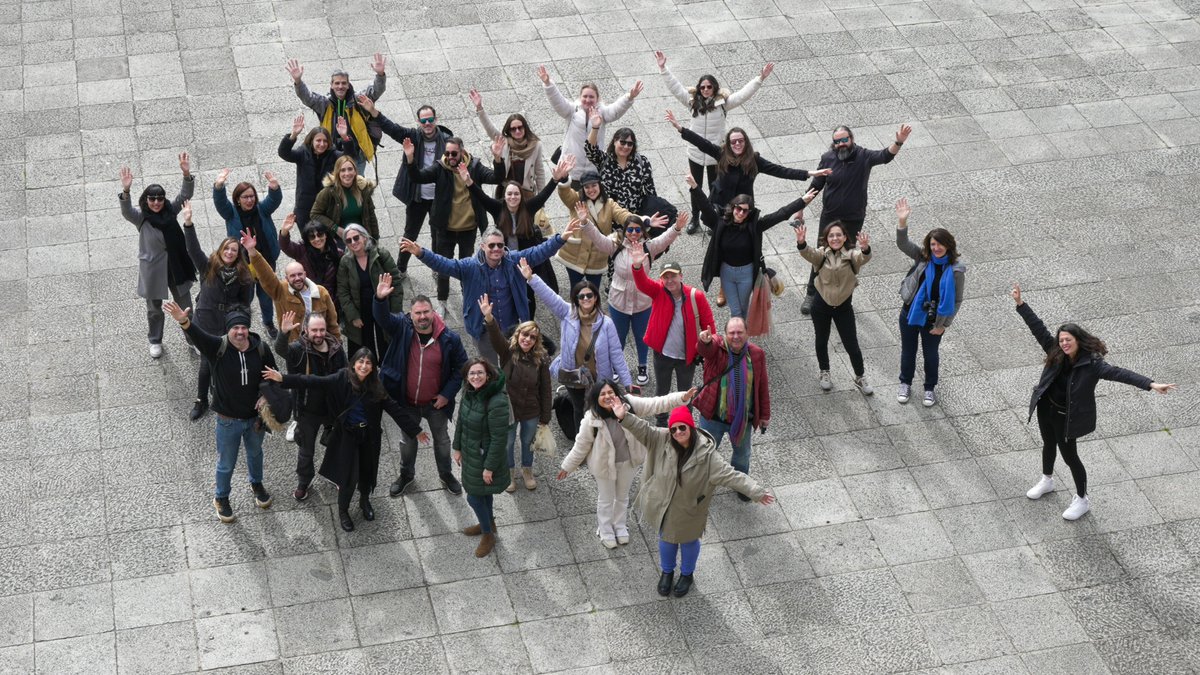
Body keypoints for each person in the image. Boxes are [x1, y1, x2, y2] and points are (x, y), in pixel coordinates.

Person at [1012, 285, 1176, 521]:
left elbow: (1121, 374)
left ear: (1078, 340)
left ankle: (1081, 499)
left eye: (1068, 340)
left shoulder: (1093, 364)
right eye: (1061, 340)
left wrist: (1151, 384)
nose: (1064, 344)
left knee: (1070, 457)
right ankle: (1046, 480)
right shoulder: (1055, 351)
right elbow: (1037, 328)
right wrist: (1021, 304)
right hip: (1046, 407)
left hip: (1067, 416)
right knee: (1048, 443)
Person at [615, 403, 774, 597]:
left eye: (682, 427)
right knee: (666, 540)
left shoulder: (708, 456)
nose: (678, 432)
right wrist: (624, 417)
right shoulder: (661, 438)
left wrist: (756, 492)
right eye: (674, 428)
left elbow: (732, 476)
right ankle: (667, 571)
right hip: (663, 505)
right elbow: (643, 429)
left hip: (689, 509)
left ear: (691, 427)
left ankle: (687, 574)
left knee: (689, 541)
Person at [265, 349, 429, 532]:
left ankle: (364, 501)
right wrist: (283, 378)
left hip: (369, 437)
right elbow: (313, 381)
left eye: (368, 363)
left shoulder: (376, 385)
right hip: (347, 437)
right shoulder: (341, 378)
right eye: (361, 362)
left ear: (373, 367)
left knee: (368, 472)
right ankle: (343, 511)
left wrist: (416, 431)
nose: (364, 366)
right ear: (353, 363)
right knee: (347, 477)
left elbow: (395, 409)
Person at [398, 220, 580, 365]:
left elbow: (538, 252)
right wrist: (421, 253)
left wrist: (560, 239)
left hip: (511, 328)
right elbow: (444, 264)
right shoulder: (469, 267)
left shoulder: (513, 260)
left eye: (500, 245)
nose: (496, 249)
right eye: (491, 245)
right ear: (483, 246)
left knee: (512, 363)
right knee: (490, 367)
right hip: (483, 329)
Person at [163, 301, 277, 524]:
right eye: (236, 328)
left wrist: (267, 395)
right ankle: (221, 498)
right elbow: (198, 336)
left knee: (255, 454)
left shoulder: (261, 348)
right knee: (226, 462)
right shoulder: (218, 348)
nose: (241, 332)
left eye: (244, 327)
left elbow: (274, 376)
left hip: (255, 419)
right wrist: (184, 321)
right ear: (228, 329)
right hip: (228, 421)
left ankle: (257, 484)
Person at [557, 380, 696, 549]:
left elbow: (656, 403)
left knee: (622, 497)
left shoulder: (629, 405)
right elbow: (581, 446)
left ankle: (620, 525)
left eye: (610, 392)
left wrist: (682, 397)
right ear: (596, 398)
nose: (607, 396)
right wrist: (567, 467)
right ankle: (605, 529)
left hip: (628, 462)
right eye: (603, 394)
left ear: (617, 394)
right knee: (606, 499)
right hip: (603, 467)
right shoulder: (591, 419)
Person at [656, 51, 775, 233]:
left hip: (715, 155)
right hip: (695, 154)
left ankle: (715, 218)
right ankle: (695, 219)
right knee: (695, 188)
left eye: (709, 87)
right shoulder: (692, 103)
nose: (705, 90)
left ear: (714, 88)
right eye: (702, 87)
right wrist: (663, 68)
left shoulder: (723, 104)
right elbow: (675, 87)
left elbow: (743, 95)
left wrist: (760, 78)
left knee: (716, 189)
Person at [802, 123, 912, 314]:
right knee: (822, 254)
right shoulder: (828, 158)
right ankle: (812, 293)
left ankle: (844, 297)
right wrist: (800, 208)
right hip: (830, 215)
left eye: (845, 139)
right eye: (837, 141)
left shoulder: (863, 156)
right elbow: (816, 184)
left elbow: (885, 156)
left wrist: (898, 142)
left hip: (853, 218)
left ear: (851, 139)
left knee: (848, 257)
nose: (841, 144)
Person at [373, 282, 470, 498]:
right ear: (411, 315)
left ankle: (446, 475)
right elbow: (383, 319)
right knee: (407, 442)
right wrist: (380, 300)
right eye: (418, 313)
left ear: (433, 312)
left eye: (426, 311)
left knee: (443, 441)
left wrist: (447, 394)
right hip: (406, 402)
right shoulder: (402, 327)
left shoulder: (449, 338)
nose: (422, 316)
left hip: (436, 404)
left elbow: (462, 369)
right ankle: (406, 475)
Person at [666, 112, 826, 235]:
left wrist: (809, 173)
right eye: (733, 141)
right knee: (719, 233)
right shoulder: (721, 154)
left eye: (740, 140)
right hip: (720, 204)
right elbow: (701, 143)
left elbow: (780, 171)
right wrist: (680, 128)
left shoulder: (754, 160)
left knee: (741, 233)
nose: (737, 144)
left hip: (742, 207)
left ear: (746, 142)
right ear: (728, 144)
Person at [525, 259, 630, 435]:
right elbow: (550, 297)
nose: (586, 299)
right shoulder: (567, 313)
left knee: (599, 411)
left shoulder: (607, 324)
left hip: (598, 379)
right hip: (573, 377)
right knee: (579, 410)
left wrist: (628, 383)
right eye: (581, 296)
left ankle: (599, 442)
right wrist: (531, 278)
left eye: (589, 295)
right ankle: (580, 443)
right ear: (576, 299)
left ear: (595, 297)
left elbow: (617, 355)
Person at [583, 210, 686, 386]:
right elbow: (597, 237)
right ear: (625, 231)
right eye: (630, 230)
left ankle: (642, 366)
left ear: (643, 231)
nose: (633, 233)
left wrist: (676, 228)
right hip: (619, 301)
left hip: (642, 302)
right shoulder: (615, 246)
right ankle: (616, 365)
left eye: (638, 230)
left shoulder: (649, 247)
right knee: (618, 337)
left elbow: (665, 239)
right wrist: (585, 222)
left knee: (642, 336)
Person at [402, 135, 499, 317]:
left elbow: (497, 177)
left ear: (462, 151)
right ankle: (442, 301)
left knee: (466, 268)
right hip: (445, 230)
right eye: (447, 153)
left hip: (468, 230)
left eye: (454, 153)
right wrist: (410, 158)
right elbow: (417, 177)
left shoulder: (475, 167)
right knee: (443, 268)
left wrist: (498, 158)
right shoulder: (440, 167)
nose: (450, 157)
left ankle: (467, 298)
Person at [464, 155, 575, 314]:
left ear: (521, 196)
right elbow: (481, 197)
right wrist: (469, 182)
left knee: (527, 294)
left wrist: (555, 179)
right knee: (507, 293)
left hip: (525, 259)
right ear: (505, 196)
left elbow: (544, 194)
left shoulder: (528, 208)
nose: (512, 197)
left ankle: (528, 322)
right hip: (504, 259)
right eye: (509, 194)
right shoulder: (498, 208)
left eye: (516, 194)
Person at [356, 97, 451, 282]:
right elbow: (392, 128)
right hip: (417, 196)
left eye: (430, 119)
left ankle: (437, 267)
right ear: (418, 122)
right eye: (423, 120)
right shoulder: (413, 137)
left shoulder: (447, 140)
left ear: (436, 120)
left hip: (438, 197)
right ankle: (401, 268)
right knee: (410, 234)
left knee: (438, 235)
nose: (427, 124)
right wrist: (373, 111)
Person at [693, 178, 816, 319]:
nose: (740, 213)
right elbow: (704, 205)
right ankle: (736, 336)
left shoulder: (756, 226)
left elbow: (780, 214)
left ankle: (738, 335)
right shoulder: (720, 223)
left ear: (749, 213)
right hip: (726, 273)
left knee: (743, 309)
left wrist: (802, 201)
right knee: (736, 311)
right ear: (733, 207)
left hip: (746, 274)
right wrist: (694, 186)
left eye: (745, 211)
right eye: (738, 209)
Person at [118, 155, 196, 359]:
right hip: (153, 269)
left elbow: (185, 195)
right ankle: (155, 340)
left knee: (186, 307)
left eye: (159, 198)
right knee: (154, 309)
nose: (156, 202)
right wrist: (126, 190)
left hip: (177, 267)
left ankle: (194, 339)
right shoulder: (141, 217)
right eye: (152, 199)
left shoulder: (171, 211)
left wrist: (186, 173)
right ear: (146, 199)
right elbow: (126, 212)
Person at [183, 201, 254, 421]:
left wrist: (236, 317)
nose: (230, 252)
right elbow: (193, 249)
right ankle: (201, 399)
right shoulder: (208, 267)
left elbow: (246, 301)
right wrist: (188, 223)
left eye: (234, 250)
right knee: (206, 361)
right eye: (227, 249)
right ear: (221, 251)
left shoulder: (243, 276)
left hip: (227, 324)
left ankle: (222, 395)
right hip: (205, 320)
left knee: (223, 362)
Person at [630, 246, 715, 425]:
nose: (669, 281)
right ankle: (661, 423)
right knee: (662, 392)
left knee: (685, 393)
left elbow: (709, 326)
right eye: (665, 277)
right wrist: (637, 267)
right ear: (661, 279)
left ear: (681, 276)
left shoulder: (696, 296)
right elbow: (643, 283)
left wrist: (709, 341)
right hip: (663, 355)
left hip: (687, 357)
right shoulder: (658, 291)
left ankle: (684, 424)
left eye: (673, 276)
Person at [894, 197, 966, 407]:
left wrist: (944, 325)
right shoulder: (923, 257)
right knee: (908, 350)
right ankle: (905, 383)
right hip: (910, 312)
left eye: (940, 244)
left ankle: (929, 388)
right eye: (933, 244)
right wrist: (902, 222)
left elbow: (958, 299)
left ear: (948, 245)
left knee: (931, 355)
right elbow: (902, 243)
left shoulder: (956, 270)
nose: (936, 248)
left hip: (934, 320)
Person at [272, 311, 347, 501]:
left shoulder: (336, 348)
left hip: (332, 408)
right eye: (314, 330)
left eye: (322, 329)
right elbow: (282, 350)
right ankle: (304, 481)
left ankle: (335, 474)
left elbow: (345, 375)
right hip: (307, 411)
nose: (319, 334)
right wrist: (283, 333)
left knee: (337, 446)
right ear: (306, 330)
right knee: (306, 451)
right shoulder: (298, 349)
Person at [479, 295, 551, 493]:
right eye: (524, 335)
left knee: (527, 442)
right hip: (509, 409)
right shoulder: (508, 352)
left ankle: (527, 470)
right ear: (517, 336)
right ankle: (509, 473)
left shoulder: (542, 359)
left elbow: (546, 388)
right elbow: (495, 337)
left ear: (537, 341)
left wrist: (545, 416)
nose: (527, 339)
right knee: (508, 442)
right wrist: (489, 318)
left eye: (532, 337)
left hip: (530, 409)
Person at [795, 218, 874, 395]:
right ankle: (825, 372)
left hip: (844, 307)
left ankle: (860, 376)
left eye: (839, 235)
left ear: (845, 237)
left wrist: (865, 247)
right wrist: (801, 242)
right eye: (831, 235)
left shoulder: (852, 255)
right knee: (821, 339)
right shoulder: (821, 254)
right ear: (827, 238)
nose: (835, 238)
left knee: (851, 344)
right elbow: (808, 253)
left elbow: (864, 257)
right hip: (821, 305)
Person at [695, 319, 770, 497]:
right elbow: (706, 349)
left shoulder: (757, 354)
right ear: (725, 335)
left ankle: (742, 486)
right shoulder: (718, 349)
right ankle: (699, 486)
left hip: (742, 418)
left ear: (747, 333)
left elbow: (762, 386)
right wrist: (704, 341)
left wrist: (765, 415)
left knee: (742, 456)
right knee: (704, 453)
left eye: (739, 332)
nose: (736, 336)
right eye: (731, 333)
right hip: (713, 416)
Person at [557, 170, 667, 290]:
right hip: (575, 254)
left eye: (594, 185)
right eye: (587, 187)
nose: (591, 189)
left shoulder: (609, 204)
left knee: (593, 290)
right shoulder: (576, 200)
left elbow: (624, 215)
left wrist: (645, 221)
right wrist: (563, 180)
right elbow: (565, 194)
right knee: (575, 289)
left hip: (597, 256)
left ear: (600, 185)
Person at [537, 64, 642, 181]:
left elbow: (616, 109)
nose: (588, 100)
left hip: (593, 170)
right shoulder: (571, 110)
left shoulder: (602, 112)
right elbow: (557, 101)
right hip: (571, 167)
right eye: (585, 96)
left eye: (591, 97)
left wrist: (629, 97)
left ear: (597, 98)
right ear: (580, 97)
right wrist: (548, 84)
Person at [213, 168, 284, 338]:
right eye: (245, 197)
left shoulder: (262, 209)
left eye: (252, 196)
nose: (249, 200)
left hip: (265, 260)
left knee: (266, 295)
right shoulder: (231, 213)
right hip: (243, 264)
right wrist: (219, 186)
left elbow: (274, 200)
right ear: (238, 200)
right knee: (246, 296)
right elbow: (220, 203)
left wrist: (274, 188)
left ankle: (268, 322)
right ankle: (242, 325)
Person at [286, 55, 386, 172]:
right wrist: (298, 81)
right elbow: (307, 97)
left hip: (356, 156)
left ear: (348, 85)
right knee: (332, 187)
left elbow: (376, 91)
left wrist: (380, 75)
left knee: (356, 186)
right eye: (337, 83)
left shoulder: (359, 100)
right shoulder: (324, 103)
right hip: (331, 156)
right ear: (331, 85)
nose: (340, 86)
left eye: (344, 83)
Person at [453, 358, 512, 558]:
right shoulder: (468, 392)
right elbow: (461, 419)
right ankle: (489, 522)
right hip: (471, 454)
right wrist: (457, 447)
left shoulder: (497, 401)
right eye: (472, 373)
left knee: (473, 497)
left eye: (479, 373)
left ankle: (488, 535)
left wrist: (489, 467)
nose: (475, 377)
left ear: (488, 375)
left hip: (486, 459)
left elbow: (498, 439)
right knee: (482, 493)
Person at [242, 226, 341, 344]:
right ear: (286, 278)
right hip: (295, 347)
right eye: (292, 276)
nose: (297, 278)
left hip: (320, 345)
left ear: (305, 274)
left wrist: (337, 345)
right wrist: (252, 252)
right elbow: (266, 275)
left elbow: (332, 323)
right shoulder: (280, 290)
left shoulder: (321, 292)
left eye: (300, 274)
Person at [277, 114, 357, 229]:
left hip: (327, 207)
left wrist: (345, 137)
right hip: (304, 207)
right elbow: (283, 153)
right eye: (318, 140)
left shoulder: (333, 155)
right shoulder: (302, 153)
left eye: (325, 141)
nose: (322, 144)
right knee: (308, 239)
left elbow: (350, 158)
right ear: (311, 141)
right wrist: (293, 135)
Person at [338, 224, 401, 358]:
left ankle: (387, 370)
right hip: (360, 308)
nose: (353, 242)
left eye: (356, 238)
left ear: (365, 237)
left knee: (386, 340)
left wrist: (395, 312)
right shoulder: (345, 261)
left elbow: (396, 281)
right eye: (349, 240)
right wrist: (353, 315)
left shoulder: (381, 254)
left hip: (383, 306)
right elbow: (342, 290)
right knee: (363, 345)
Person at [469, 89, 546, 196]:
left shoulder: (535, 145)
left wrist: (541, 199)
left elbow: (540, 172)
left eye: (520, 127)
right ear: (509, 131)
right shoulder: (504, 142)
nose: (517, 131)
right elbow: (489, 128)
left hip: (526, 194)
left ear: (525, 128)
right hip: (505, 193)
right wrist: (479, 108)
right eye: (513, 129)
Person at [583, 112, 656, 215]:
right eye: (622, 142)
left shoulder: (642, 162)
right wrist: (595, 127)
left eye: (630, 144)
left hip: (634, 219)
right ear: (614, 141)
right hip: (609, 217)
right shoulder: (604, 159)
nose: (626, 146)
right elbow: (590, 150)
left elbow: (650, 192)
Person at [277, 213, 344, 310]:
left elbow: (342, 281)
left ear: (326, 235)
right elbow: (286, 246)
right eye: (312, 237)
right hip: (307, 302)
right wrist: (284, 231)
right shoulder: (302, 250)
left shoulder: (338, 254)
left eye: (320, 234)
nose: (317, 239)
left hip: (330, 302)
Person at [309, 155, 381, 241]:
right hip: (340, 240)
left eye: (350, 169)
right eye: (342, 170)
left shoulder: (363, 189)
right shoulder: (328, 192)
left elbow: (371, 215)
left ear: (355, 171)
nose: (347, 173)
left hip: (362, 237)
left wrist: (375, 238)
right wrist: (335, 228)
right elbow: (314, 214)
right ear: (337, 173)